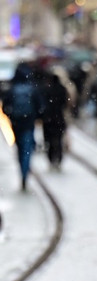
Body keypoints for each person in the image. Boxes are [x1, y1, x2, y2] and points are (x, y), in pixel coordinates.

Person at [2, 62, 45, 191]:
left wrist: (11, 116)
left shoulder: (12, 89)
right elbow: (40, 107)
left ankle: (22, 170)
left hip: (16, 124)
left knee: (21, 149)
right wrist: (36, 117)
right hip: (28, 123)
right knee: (27, 149)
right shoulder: (32, 89)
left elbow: (5, 107)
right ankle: (25, 174)